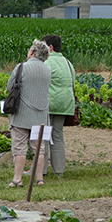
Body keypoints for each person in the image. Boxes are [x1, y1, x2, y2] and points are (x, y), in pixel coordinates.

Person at [7, 39, 51, 187]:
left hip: (22, 114)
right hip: (41, 115)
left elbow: (10, 87)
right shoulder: (48, 70)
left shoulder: (21, 67)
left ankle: (17, 179)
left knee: (20, 147)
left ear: (32, 52)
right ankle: (39, 179)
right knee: (39, 147)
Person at [41, 34, 76, 176]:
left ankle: (41, 171)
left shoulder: (47, 62)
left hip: (49, 104)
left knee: (43, 137)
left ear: (50, 47)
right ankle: (59, 171)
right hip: (65, 105)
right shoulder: (67, 62)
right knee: (58, 136)